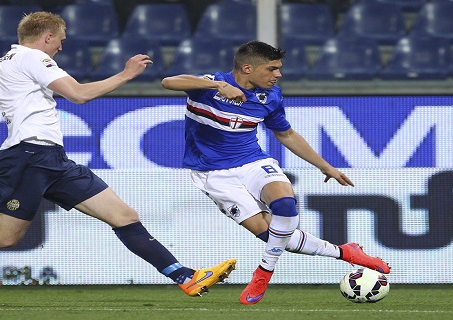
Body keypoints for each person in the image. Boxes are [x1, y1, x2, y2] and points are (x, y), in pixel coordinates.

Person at [0, 11, 235, 296]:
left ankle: (186, 277)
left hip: (53, 159)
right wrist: (125, 74)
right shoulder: (33, 57)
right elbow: (79, 95)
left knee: (124, 216)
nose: (60, 50)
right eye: (60, 42)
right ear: (48, 37)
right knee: (3, 238)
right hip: (26, 158)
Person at [160, 40, 390, 305]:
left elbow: (286, 133)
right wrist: (217, 86)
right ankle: (345, 252)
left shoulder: (271, 96)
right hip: (212, 174)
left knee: (283, 203)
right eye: (272, 69)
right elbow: (168, 81)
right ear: (247, 68)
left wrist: (325, 166)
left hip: (252, 162)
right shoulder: (210, 85)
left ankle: (264, 272)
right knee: (276, 237)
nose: (277, 74)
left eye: (278, 68)